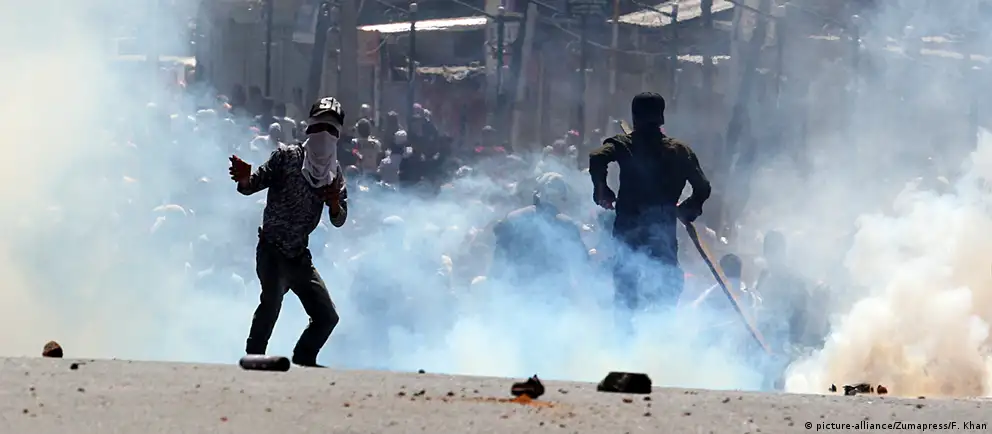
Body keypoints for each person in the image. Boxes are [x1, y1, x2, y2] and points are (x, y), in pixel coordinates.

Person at [228, 96, 349, 367]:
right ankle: (253, 357)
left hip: (298, 255)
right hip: (272, 249)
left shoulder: (335, 174)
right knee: (271, 303)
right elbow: (252, 185)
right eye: (318, 127)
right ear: (308, 129)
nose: (323, 135)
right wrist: (245, 179)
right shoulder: (287, 157)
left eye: (330, 130)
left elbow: (340, 218)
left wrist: (333, 203)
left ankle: (305, 356)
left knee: (327, 317)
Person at [589, 92, 711, 312]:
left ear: (635, 117)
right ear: (661, 118)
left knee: (626, 294)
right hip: (661, 234)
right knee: (665, 293)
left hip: (629, 233)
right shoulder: (680, 151)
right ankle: (659, 327)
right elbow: (702, 187)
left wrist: (601, 189)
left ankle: (627, 329)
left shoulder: (625, 145)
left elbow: (597, 157)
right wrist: (687, 209)